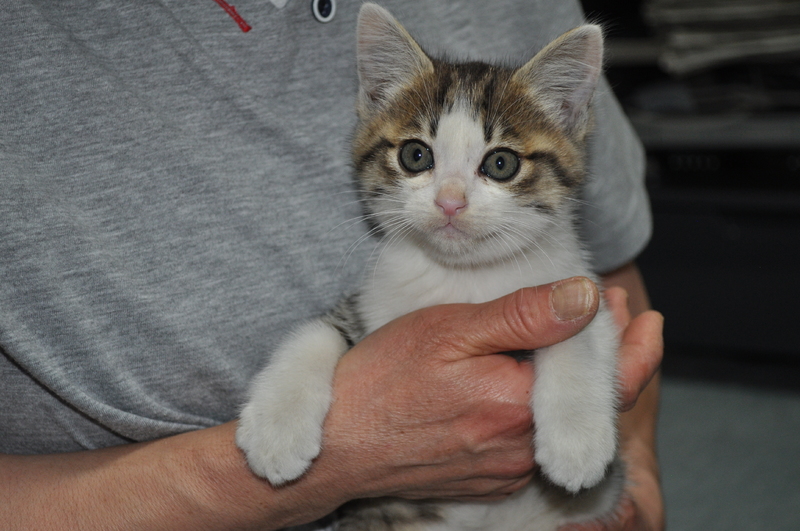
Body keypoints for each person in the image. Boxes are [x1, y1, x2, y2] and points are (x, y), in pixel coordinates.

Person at [0, 1, 664, 529]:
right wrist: (317, 423)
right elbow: (336, 332)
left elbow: (593, 316)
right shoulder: (398, 266)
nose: (451, 199)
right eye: (417, 158)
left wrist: (635, 472)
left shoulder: (554, 260)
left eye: (499, 164)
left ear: (569, 117)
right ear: (373, 101)